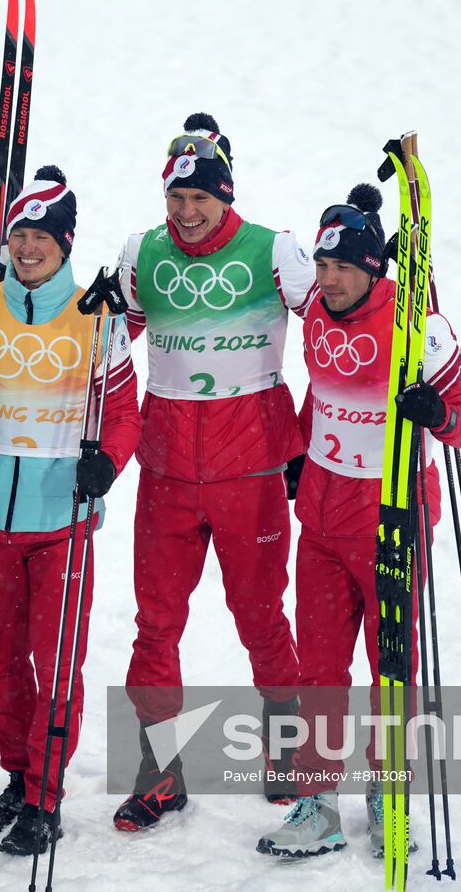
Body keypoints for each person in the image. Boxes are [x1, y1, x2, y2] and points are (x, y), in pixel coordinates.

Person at [256, 183, 461, 859]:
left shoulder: (419, 330)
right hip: (322, 523)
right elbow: (321, 398)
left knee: (394, 668)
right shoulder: (317, 321)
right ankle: (317, 803)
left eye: (342, 271)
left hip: (391, 524)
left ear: (372, 271)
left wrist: (435, 414)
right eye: (322, 269)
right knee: (320, 671)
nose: (327, 282)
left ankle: (390, 793)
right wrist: (301, 454)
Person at [112, 113, 319, 830]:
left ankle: (284, 749)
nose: (187, 213)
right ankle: (160, 771)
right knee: (155, 624)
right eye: (176, 199)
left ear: (226, 196)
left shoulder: (275, 250)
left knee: (260, 618)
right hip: (167, 468)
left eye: (200, 198)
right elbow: (107, 337)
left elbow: (333, 325)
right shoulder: (141, 251)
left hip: (249, 469)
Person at [0, 166, 143, 856]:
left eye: (40, 236)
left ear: (64, 242)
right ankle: (16, 777)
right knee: (3, 664)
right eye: (18, 235)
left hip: (61, 522)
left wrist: (109, 461)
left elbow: (124, 410)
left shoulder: (94, 316)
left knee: (56, 664)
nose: (27, 248)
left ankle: (45, 796)